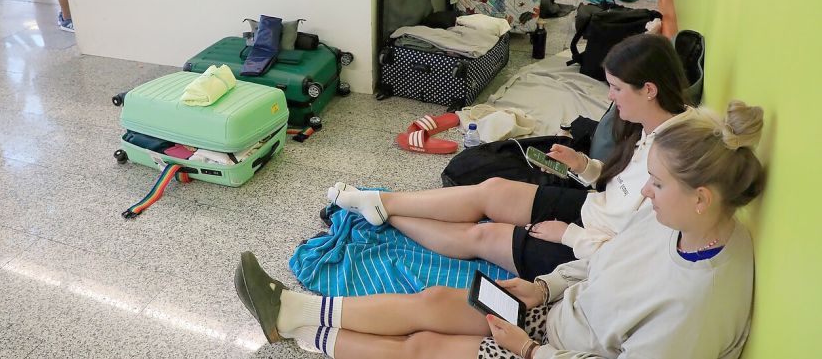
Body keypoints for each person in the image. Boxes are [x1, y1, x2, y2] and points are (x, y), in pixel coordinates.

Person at [235, 100, 764, 358]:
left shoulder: (697, 305)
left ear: (701, 198)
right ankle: (294, 312)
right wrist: (543, 287)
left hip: (561, 352)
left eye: (656, 184)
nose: (645, 194)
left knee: (425, 347)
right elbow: (605, 261)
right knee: (439, 302)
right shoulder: (678, 221)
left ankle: (301, 329)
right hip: (559, 317)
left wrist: (530, 351)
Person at [327, 33, 690, 280]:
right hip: (593, 209)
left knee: (484, 237)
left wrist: (569, 236)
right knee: (494, 189)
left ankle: (384, 213)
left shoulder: (676, 155)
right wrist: (584, 167)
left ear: (649, 90)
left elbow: (634, 251)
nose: (610, 97)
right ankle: (380, 200)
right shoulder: (649, 126)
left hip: (595, 249)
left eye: (616, 88)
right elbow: (622, 188)